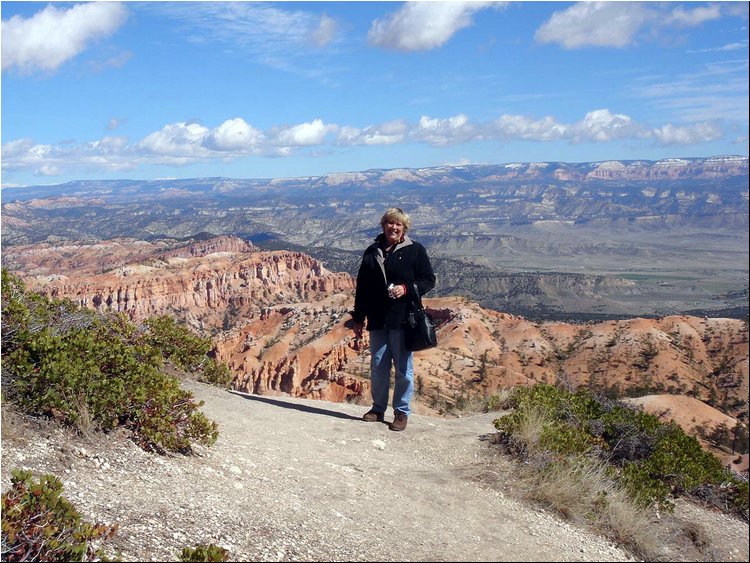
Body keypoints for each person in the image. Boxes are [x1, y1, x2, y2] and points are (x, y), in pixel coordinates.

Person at [351, 207, 435, 431]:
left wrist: (405, 289)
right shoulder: (372, 252)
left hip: (403, 318)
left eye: (398, 224)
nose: (394, 227)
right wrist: (359, 318)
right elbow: (363, 289)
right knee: (378, 365)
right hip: (378, 318)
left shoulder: (415, 250)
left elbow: (428, 280)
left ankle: (401, 411)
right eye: (390, 223)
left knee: (403, 368)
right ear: (383, 225)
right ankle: (378, 408)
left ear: (404, 228)